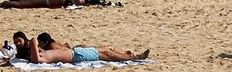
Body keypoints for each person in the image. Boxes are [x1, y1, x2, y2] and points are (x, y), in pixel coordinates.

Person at [19, 32, 148, 64]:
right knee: (107, 55)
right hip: (76, 56)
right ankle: (135, 57)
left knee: (105, 50)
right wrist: (33, 42)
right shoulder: (38, 59)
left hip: (75, 52)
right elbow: (35, 58)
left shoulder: (42, 54)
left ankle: (127, 55)